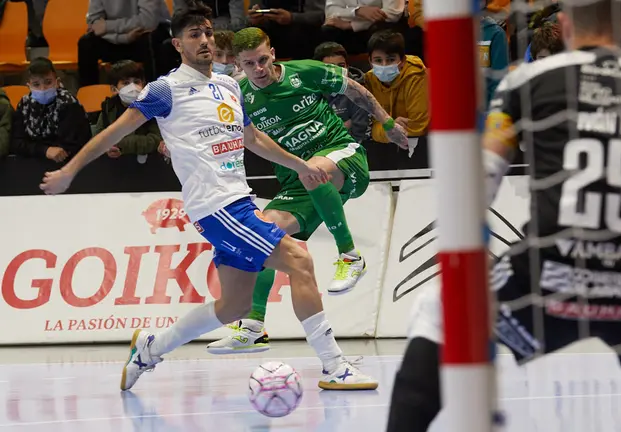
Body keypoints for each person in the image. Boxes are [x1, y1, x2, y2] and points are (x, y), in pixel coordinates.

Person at [386, 0, 621, 431]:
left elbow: (479, 187)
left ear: (564, 24)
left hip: (551, 271)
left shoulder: (528, 81)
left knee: (438, 311)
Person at [39, 4, 378, 392]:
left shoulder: (230, 85)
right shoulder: (165, 90)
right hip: (216, 206)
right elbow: (114, 132)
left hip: (239, 200)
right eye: (194, 35)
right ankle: (335, 367)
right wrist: (70, 171)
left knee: (232, 306)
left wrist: (299, 164)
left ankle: (152, 347)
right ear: (177, 44)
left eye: (207, 33)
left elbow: (253, 139)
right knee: (299, 260)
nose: (204, 40)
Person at [204, 27, 408, 355]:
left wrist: (385, 123)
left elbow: (354, 88)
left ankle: (350, 256)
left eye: (263, 59)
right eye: (250, 64)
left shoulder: (303, 72)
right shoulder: (240, 95)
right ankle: (253, 327)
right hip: (297, 181)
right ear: (238, 65)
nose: (259, 69)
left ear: (273, 52)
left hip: (342, 158)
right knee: (263, 233)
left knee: (313, 169)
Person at [11, 58, 91, 162]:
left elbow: (70, 145)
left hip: (68, 164)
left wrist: (34, 147)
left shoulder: (69, 104)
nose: (42, 89)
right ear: (29, 86)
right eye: (36, 84)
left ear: (57, 82)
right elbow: (16, 143)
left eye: (48, 82)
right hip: (30, 165)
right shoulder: (24, 104)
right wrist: (45, 150)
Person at [79, 0, 171, 86]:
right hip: (119, 37)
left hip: (145, 33)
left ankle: (155, 95)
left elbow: (148, 21)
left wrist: (108, 26)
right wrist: (125, 38)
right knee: (86, 43)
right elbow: (95, 24)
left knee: (150, 39)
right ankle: (88, 96)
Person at [364, 30, 428, 144]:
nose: (384, 65)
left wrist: (386, 128)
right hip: (386, 146)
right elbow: (371, 127)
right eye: (378, 60)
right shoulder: (369, 80)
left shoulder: (416, 76)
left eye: (390, 60)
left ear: (402, 60)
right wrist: (391, 127)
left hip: (422, 143)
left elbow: (418, 126)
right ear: (370, 61)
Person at [94, 60, 163, 158]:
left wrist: (120, 143)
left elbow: (156, 139)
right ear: (114, 89)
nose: (133, 87)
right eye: (126, 83)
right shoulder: (109, 107)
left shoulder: (152, 106)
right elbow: (98, 136)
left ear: (143, 85)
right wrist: (107, 148)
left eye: (136, 82)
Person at [313, 41, 370, 143]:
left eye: (341, 65)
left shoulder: (359, 91)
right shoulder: (310, 91)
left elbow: (358, 133)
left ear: (347, 66)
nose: (337, 71)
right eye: (331, 67)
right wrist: (344, 125)